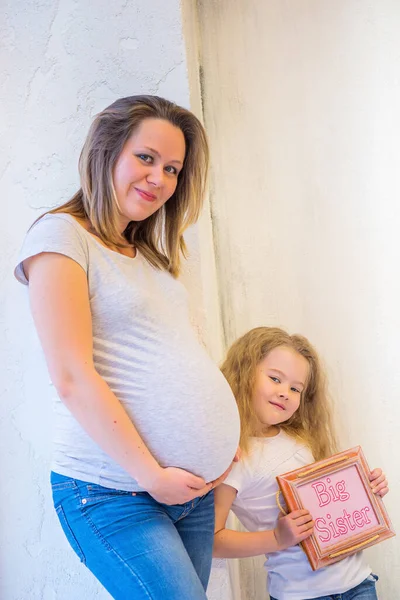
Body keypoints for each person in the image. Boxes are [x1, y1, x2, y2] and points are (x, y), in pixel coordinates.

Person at [14, 95, 240, 600]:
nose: (159, 178)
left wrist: (223, 439)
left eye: (173, 168)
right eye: (146, 157)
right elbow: (71, 375)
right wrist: (151, 474)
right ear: (106, 151)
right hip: (111, 492)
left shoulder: (151, 259)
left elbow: (176, 356)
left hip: (190, 497)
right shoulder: (61, 236)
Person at [213, 327, 388, 600]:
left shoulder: (302, 440)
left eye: (296, 388)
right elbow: (213, 541)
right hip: (302, 594)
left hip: (359, 582)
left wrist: (366, 491)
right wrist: (277, 539)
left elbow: (330, 507)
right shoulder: (233, 456)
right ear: (243, 374)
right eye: (275, 379)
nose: (285, 393)